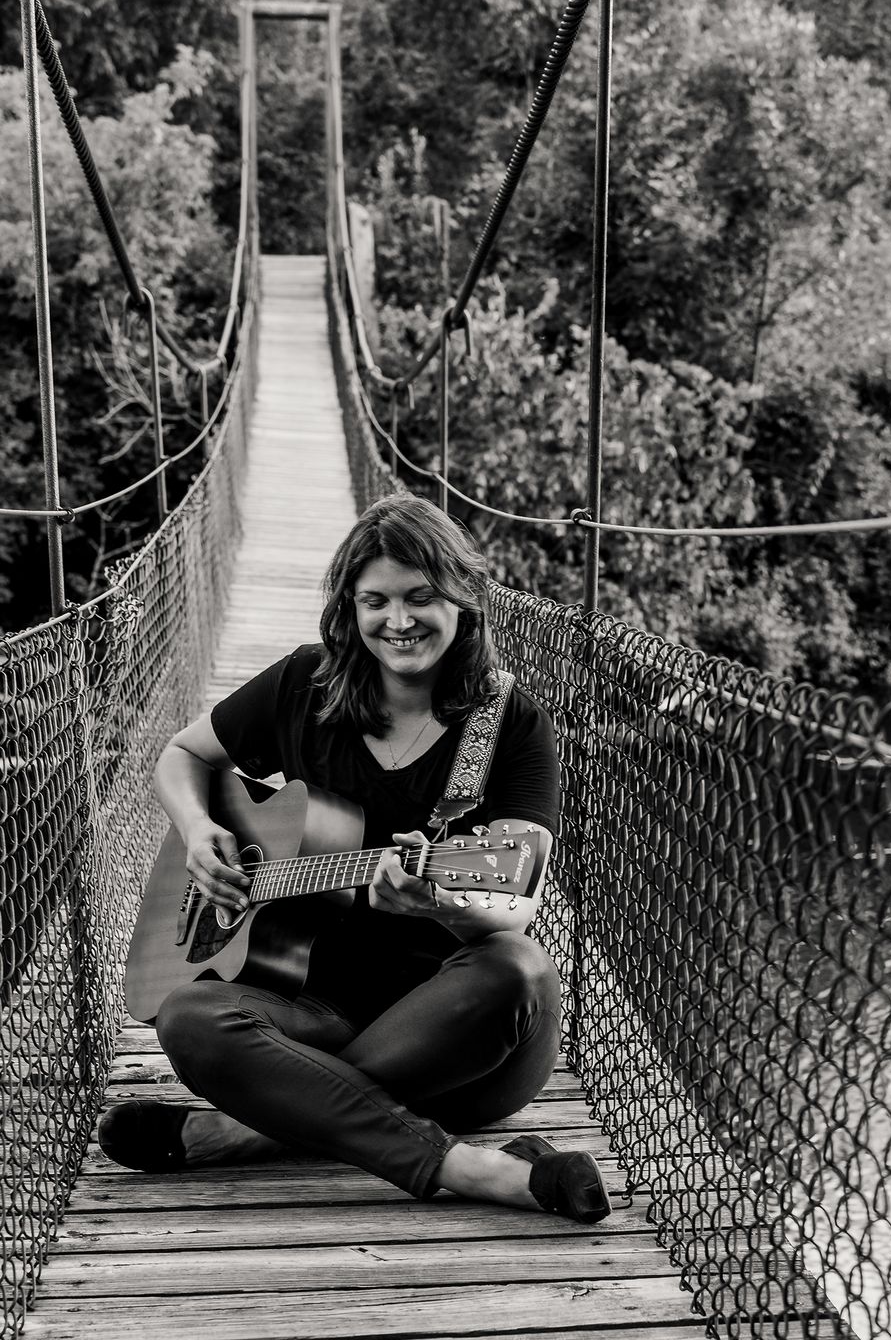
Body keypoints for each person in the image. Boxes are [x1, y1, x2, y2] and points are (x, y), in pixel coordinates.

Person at [99, 492, 609, 1224]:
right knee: (188, 1014)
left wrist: (441, 904)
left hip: (456, 1041)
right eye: (375, 601)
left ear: (462, 597)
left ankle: (250, 1127)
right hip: (316, 1011)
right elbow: (182, 753)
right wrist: (200, 827)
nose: (398, 621)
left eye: (420, 597)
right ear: (350, 607)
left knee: (518, 968)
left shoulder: (509, 723)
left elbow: (513, 904)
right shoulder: (303, 686)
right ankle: (469, 1168)